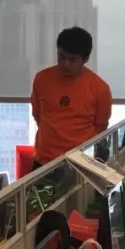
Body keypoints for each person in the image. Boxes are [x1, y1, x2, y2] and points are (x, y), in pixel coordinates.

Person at [30, 27, 112, 166]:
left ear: (85, 59)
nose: (65, 64)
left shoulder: (100, 89)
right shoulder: (42, 79)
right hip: (44, 162)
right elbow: (38, 115)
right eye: (61, 56)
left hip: (80, 164)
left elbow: (100, 127)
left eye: (72, 60)